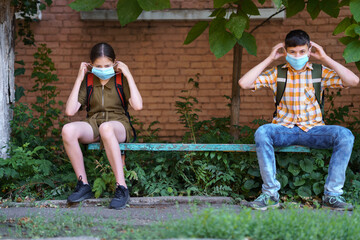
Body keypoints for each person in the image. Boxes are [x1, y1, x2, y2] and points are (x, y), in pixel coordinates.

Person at [238, 29, 359, 211]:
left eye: (302, 51)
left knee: (345, 135)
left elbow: (353, 81)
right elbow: (244, 83)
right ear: (285, 52)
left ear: (309, 50)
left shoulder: (319, 71)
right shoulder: (277, 73)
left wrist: (325, 58)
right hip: (284, 129)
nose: (297, 56)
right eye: (292, 52)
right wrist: (270, 58)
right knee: (263, 132)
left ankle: (332, 196)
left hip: (314, 130)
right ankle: (270, 195)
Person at [62, 42, 143, 210]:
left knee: (106, 128)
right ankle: (83, 184)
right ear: (91, 65)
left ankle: (122, 187)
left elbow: (137, 106)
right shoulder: (89, 80)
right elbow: (70, 111)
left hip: (118, 124)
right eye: (98, 66)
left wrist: (128, 74)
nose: (103, 68)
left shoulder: (120, 79)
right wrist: (79, 78)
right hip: (94, 122)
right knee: (67, 130)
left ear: (115, 63)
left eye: (107, 65)